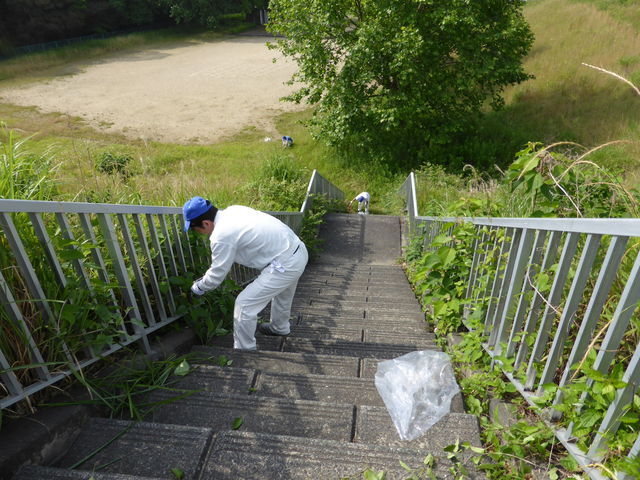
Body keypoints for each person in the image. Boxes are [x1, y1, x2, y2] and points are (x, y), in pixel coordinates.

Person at [183, 196, 308, 350]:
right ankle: (279, 328)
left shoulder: (221, 235)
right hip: (297, 250)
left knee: (244, 304)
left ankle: (244, 350)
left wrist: (198, 287)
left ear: (206, 223)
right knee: (283, 294)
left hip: (285, 263)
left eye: (196, 229)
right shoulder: (233, 210)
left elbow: (217, 274)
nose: (200, 233)